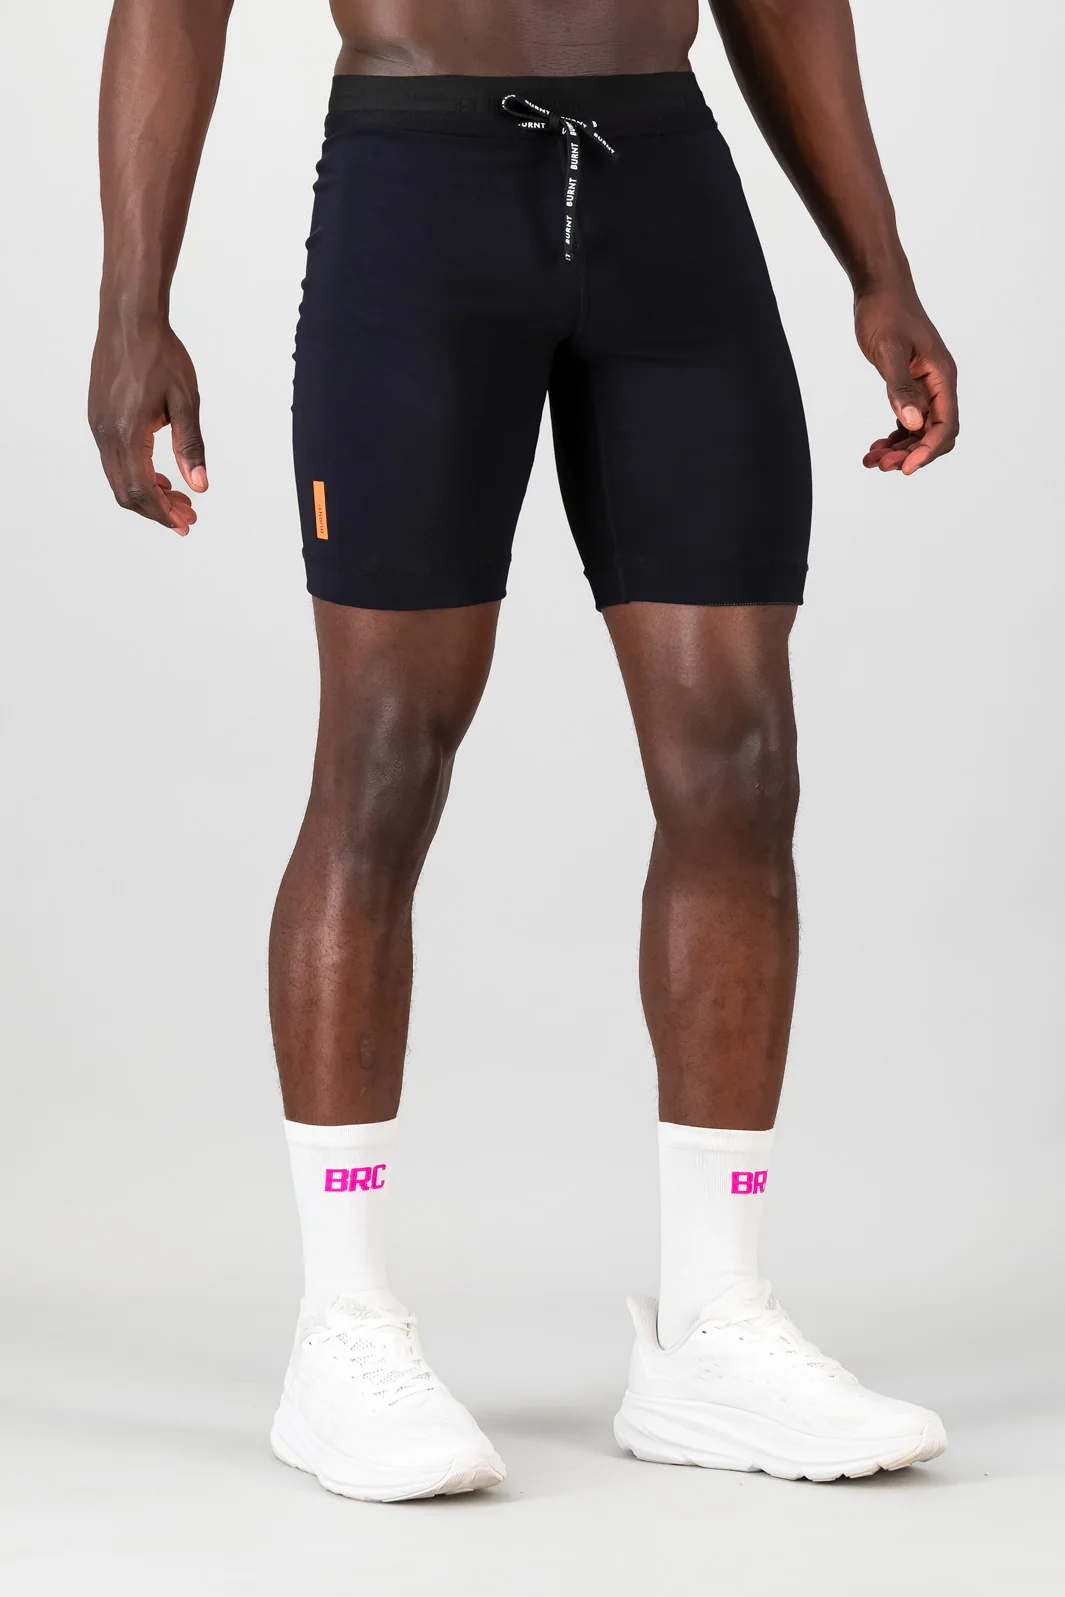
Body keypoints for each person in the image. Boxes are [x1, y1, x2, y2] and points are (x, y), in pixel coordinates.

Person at [89, 0, 958, 1502]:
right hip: (416, 201)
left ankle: (711, 1328)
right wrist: (131, 303)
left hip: (671, 202)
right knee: (384, 762)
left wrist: (879, 266)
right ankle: (343, 1328)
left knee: (741, 761)